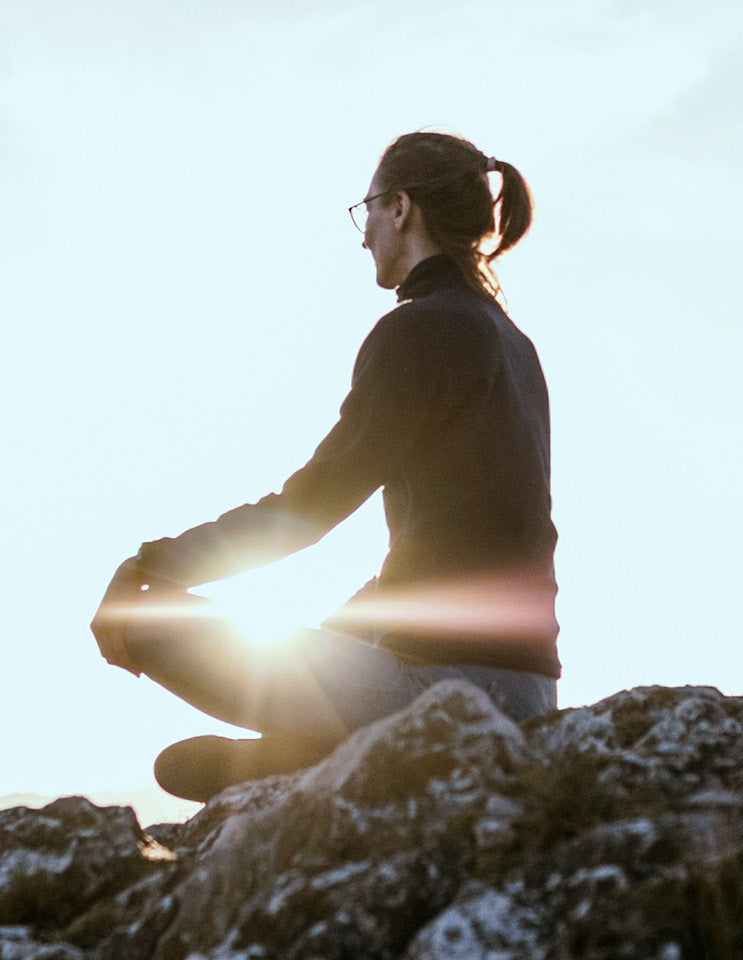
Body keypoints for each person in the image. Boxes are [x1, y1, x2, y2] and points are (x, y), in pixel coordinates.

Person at [90, 131, 559, 802]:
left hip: (451, 696)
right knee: (345, 625)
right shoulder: (514, 344)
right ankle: (316, 754)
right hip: (530, 692)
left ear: (400, 208)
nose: (364, 233)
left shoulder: (418, 330)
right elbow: (470, 543)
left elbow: (308, 509)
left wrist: (150, 566)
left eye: (367, 209)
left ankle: (319, 758)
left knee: (142, 618)